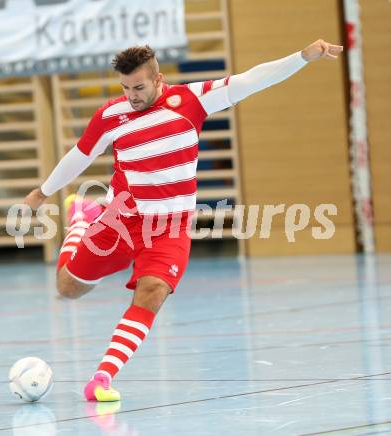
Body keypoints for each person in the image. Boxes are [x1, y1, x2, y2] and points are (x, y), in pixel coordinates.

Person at [24, 39, 343, 402]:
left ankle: (102, 378)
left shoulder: (193, 100)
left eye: (139, 87)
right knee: (68, 288)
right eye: (126, 88)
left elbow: (254, 79)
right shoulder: (111, 115)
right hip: (121, 219)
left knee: (153, 291)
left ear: (158, 78)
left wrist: (302, 56)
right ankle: (81, 219)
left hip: (169, 228)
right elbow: (81, 155)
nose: (132, 95)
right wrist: (43, 192)